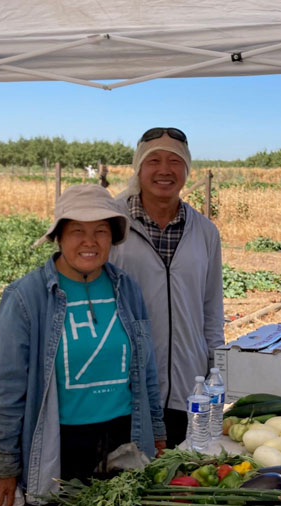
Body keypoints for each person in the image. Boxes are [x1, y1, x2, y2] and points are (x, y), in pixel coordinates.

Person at [0, 184, 166, 506]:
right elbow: (5, 389)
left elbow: (146, 368)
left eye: (100, 231)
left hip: (124, 441)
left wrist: (156, 428)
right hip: (61, 447)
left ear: (112, 237)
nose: (89, 241)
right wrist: (4, 462)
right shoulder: (27, 297)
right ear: (59, 237)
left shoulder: (127, 290)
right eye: (77, 231)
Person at [110, 127, 225, 447]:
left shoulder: (205, 232)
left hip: (190, 391)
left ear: (187, 170)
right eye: (153, 161)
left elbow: (212, 310)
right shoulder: (110, 225)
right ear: (139, 168)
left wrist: (216, 371)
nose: (164, 170)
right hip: (125, 390)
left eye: (175, 161)